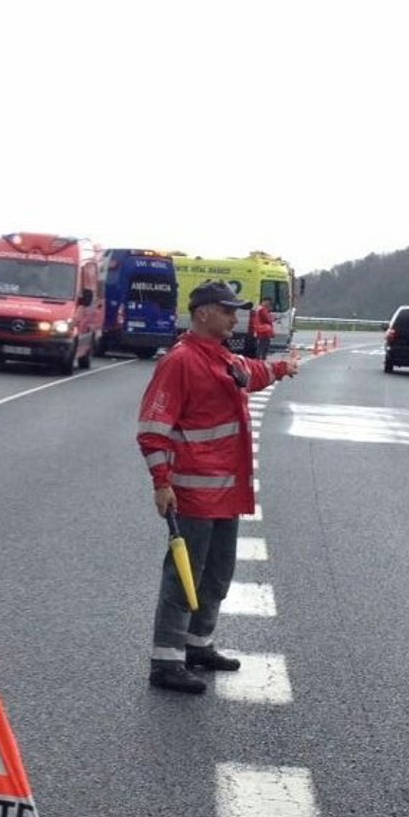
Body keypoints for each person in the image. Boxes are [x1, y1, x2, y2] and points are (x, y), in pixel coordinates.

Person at [137, 279, 301, 694]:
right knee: (183, 578)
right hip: (193, 492)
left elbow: (253, 373)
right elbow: (153, 431)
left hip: (226, 492)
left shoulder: (223, 358)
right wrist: (162, 483)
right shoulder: (181, 361)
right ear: (204, 313)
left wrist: (283, 367)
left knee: (217, 574)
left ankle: (197, 644)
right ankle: (167, 660)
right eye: (228, 310)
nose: (235, 317)